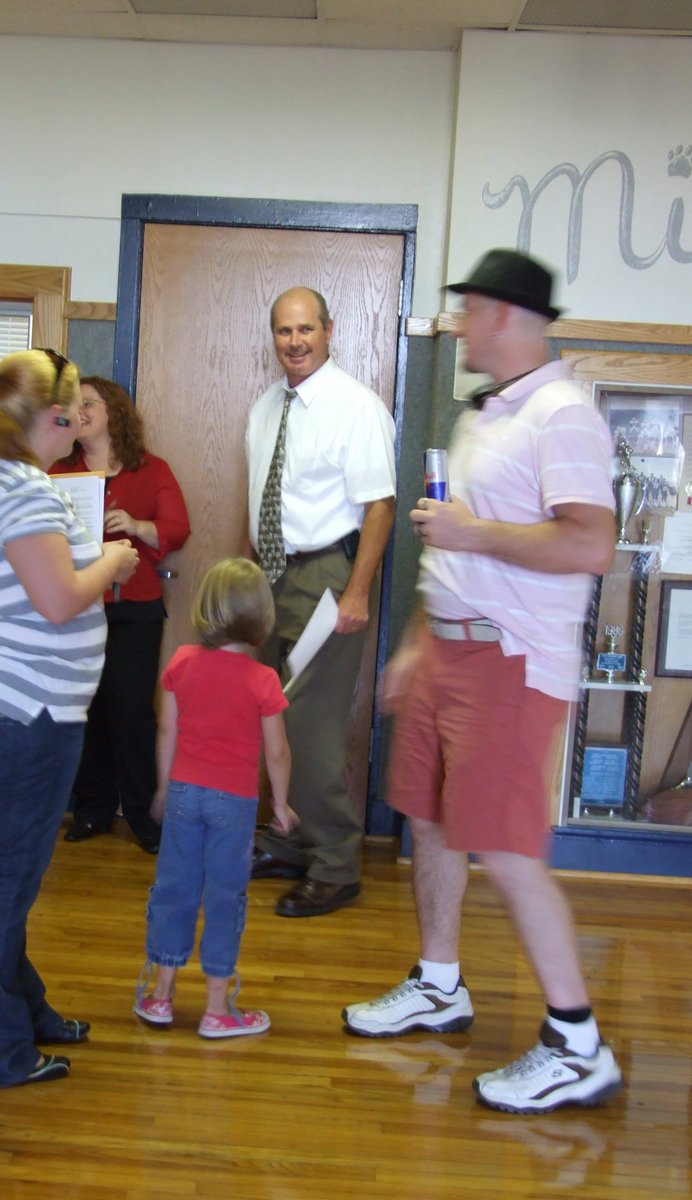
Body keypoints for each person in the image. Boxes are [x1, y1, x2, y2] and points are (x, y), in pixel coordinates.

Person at [342, 249, 624, 1115]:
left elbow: (591, 543)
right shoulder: (487, 413)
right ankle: (438, 985)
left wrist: (475, 535)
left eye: (468, 310)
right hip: (448, 651)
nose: (460, 326)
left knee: (504, 848)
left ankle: (577, 1044)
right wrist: (416, 644)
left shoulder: (563, 415)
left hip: (512, 661)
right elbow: (454, 551)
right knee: (427, 816)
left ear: (503, 314)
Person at [0, 348, 139, 1087]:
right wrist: (113, 563)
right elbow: (58, 600)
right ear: (53, 417)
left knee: (12, 873)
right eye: (76, 408)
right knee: (7, 880)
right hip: (28, 708)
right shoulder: (24, 489)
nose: (83, 418)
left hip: (4, 698)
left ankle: (25, 1011)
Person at [245, 286, 397, 917]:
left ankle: (335, 865)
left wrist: (356, 592)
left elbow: (380, 505)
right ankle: (291, 839)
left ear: (329, 331)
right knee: (272, 715)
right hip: (272, 576)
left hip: (330, 575)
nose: (295, 341)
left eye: (306, 329)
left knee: (308, 722)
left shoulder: (356, 406)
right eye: (284, 331)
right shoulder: (266, 407)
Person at [134, 558, 295, 1037]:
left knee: (175, 889)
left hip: (184, 794)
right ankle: (217, 1009)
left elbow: (167, 730)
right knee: (225, 897)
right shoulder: (264, 680)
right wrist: (281, 805)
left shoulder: (181, 662)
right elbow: (278, 752)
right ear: (261, 617)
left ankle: (161, 996)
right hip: (234, 805)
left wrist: (162, 790)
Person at [51, 376, 190, 853]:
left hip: (134, 610)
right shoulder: (58, 471)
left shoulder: (151, 469)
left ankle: (143, 814)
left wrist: (136, 525)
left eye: (88, 403)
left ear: (114, 412)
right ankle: (92, 810)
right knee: (84, 710)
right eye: (75, 404)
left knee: (131, 714)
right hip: (76, 606)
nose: (80, 411)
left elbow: (178, 529)